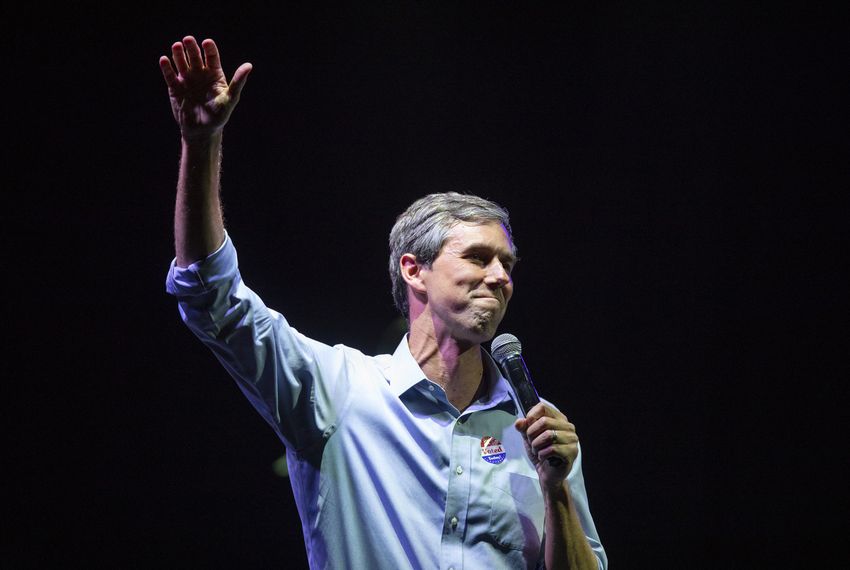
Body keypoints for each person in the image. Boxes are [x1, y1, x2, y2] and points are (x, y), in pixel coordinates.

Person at [161, 36, 607, 569]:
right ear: (413, 269)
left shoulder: (538, 433)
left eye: (507, 264)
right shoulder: (336, 391)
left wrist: (555, 490)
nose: (499, 276)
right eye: (479, 258)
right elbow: (212, 296)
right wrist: (201, 142)